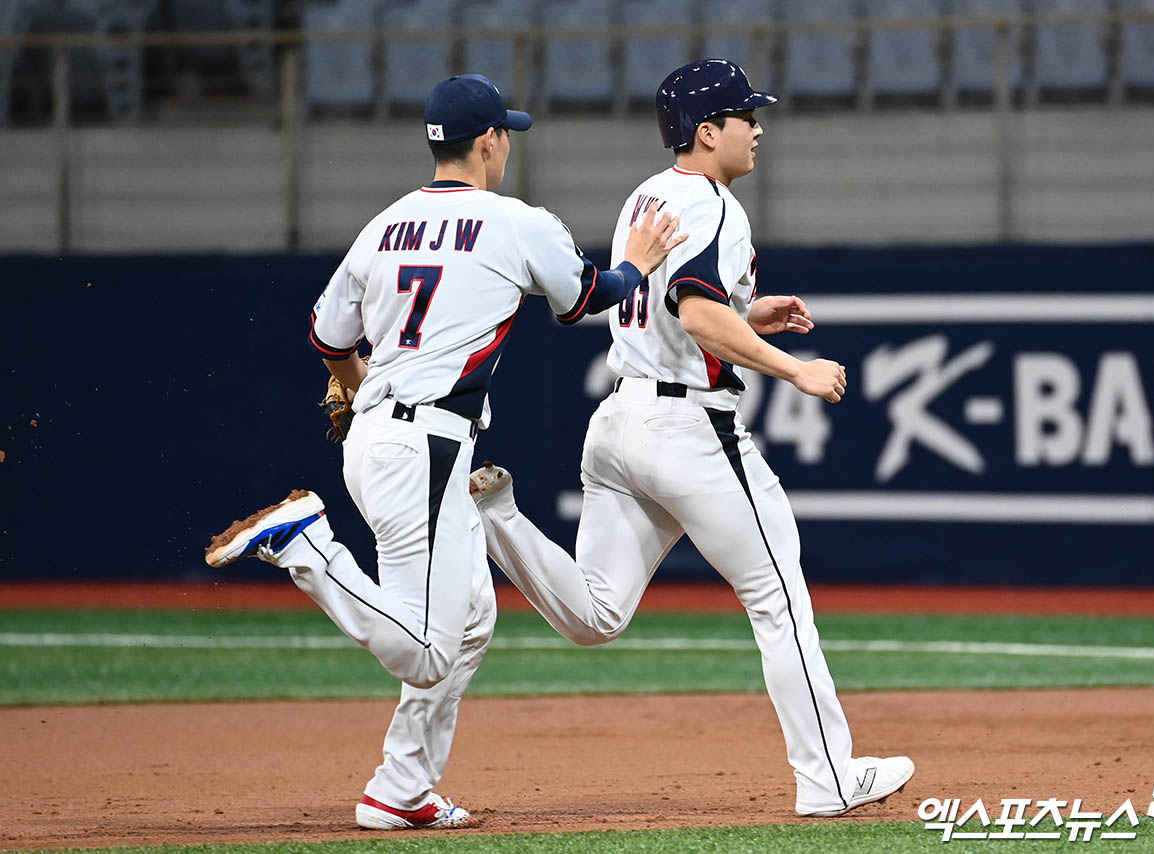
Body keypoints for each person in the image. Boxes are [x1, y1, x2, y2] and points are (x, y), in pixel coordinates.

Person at [204, 73, 686, 830]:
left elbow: (329, 337)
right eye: (506, 136)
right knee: (428, 651)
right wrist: (637, 262)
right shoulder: (514, 221)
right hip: (422, 447)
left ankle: (400, 790)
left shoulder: (384, 224)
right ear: (490, 140)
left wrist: (359, 388)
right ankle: (307, 547)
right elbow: (586, 299)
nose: (506, 147)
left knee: (470, 620)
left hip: (388, 437)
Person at [469, 60, 914, 817]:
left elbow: (659, 304)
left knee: (598, 615)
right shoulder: (714, 202)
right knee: (777, 598)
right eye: (746, 116)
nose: (758, 127)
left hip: (618, 422)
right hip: (688, 428)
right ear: (708, 133)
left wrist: (749, 310)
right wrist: (791, 369)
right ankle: (829, 779)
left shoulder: (646, 194)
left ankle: (498, 518)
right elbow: (696, 312)